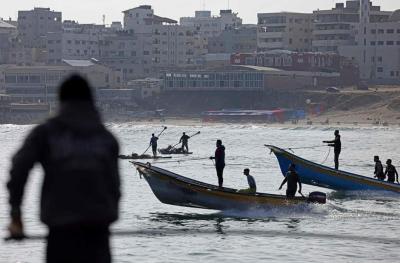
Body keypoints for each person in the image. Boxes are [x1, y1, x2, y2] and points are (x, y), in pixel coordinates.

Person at [6, 75, 121, 263]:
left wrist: (16, 216)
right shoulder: (107, 139)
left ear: (60, 101)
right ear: (91, 101)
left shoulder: (46, 133)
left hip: (61, 230)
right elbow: (115, 187)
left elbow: (19, 170)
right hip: (99, 230)